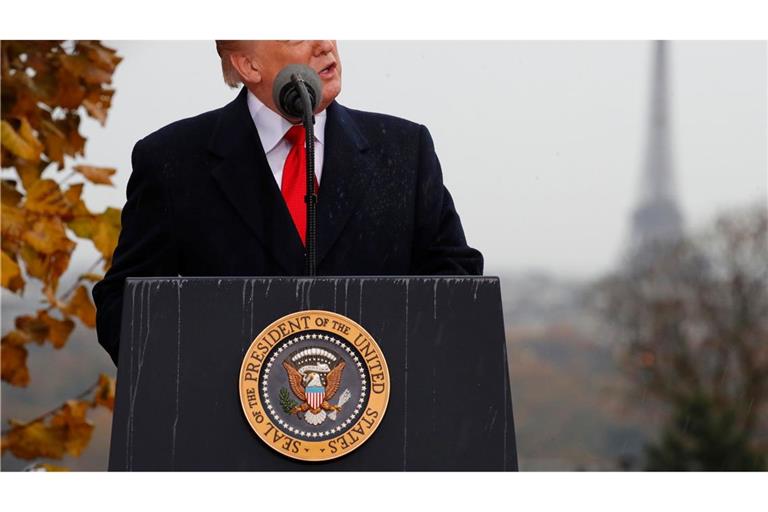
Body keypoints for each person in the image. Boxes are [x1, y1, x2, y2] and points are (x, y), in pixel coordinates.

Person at [92, 40, 483, 365]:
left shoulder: (403, 149)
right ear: (248, 65)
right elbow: (125, 307)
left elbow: (457, 284)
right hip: (229, 439)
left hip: (382, 424)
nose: (325, 45)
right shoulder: (172, 160)